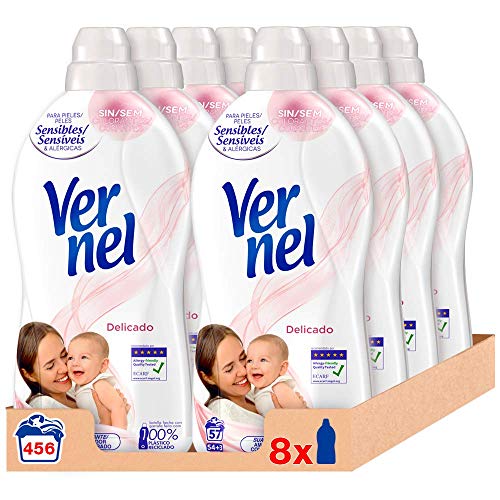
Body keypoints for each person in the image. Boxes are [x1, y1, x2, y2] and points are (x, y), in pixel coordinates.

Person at [16, 322, 128, 425]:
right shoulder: (42, 407)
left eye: (65, 355)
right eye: (50, 366)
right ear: (29, 375)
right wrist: (107, 420)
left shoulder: (75, 390)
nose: (65, 368)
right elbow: (77, 440)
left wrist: (117, 410)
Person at [195, 324, 305, 425]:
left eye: (243, 358)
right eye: (229, 369)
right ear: (207, 377)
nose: (244, 371)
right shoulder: (222, 413)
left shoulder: (256, 393)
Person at [67, 332, 127, 429]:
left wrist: (118, 434)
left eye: (84, 357)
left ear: (103, 365)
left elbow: (118, 407)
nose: (75, 363)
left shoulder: (99, 384)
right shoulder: (77, 387)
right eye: (70, 358)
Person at [246, 334, 302, 416]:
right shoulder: (256, 390)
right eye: (249, 361)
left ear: (282, 368)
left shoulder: (279, 388)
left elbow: (302, 414)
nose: (254, 366)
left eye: (263, 360)